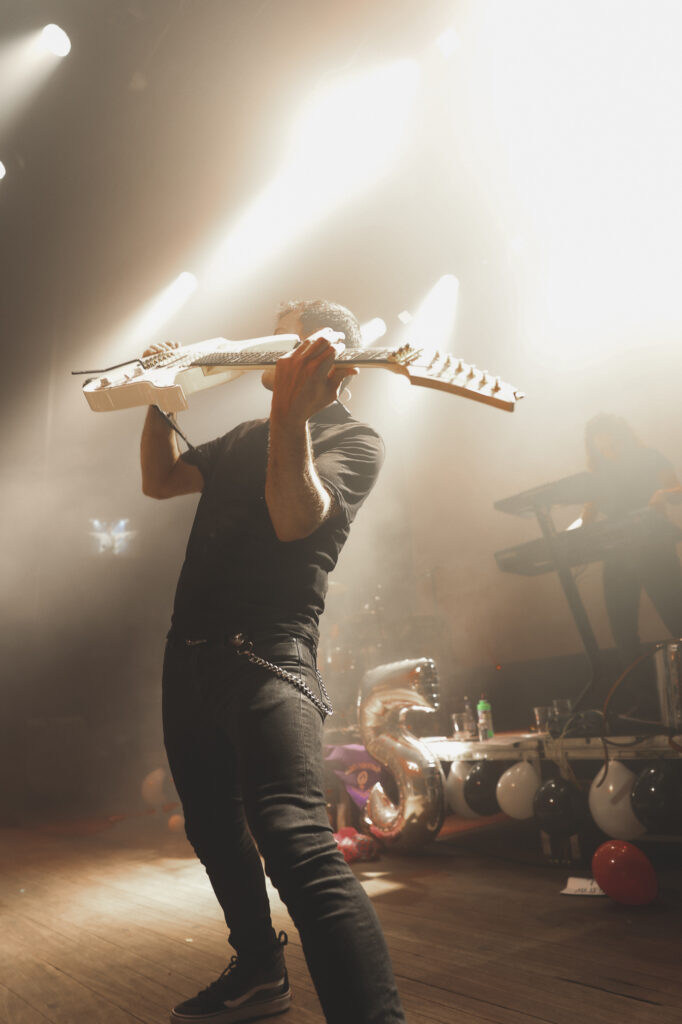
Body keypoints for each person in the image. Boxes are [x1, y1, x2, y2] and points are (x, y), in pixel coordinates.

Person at [140, 299, 406, 1024]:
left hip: (266, 652)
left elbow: (294, 520)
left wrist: (292, 416)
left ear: (332, 361)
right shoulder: (245, 435)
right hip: (188, 655)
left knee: (292, 835)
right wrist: (162, 395)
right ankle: (260, 971)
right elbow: (160, 479)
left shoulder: (355, 439)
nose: (269, 348)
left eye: (288, 339)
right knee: (209, 827)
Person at [582, 413, 682, 713]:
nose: (608, 450)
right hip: (617, 556)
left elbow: (677, 490)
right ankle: (644, 702)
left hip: (654, 547)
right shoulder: (598, 474)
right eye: (602, 447)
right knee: (623, 631)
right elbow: (588, 516)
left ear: (623, 436)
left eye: (612, 444)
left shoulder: (649, 457)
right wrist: (575, 533)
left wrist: (661, 494)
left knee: (677, 618)